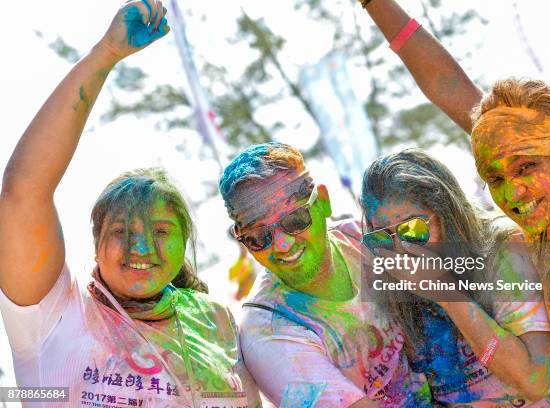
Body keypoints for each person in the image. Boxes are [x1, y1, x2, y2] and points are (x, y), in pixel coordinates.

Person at [0, 2, 259, 406]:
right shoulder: (56, 316)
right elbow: (23, 191)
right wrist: (105, 54)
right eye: (122, 232)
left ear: (185, 241)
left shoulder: (216, 321)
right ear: (97, 242)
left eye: (160, 231)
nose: (141, 249)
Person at [361, 0, 550, 404]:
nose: (512, 194)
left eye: (526, 167)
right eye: (494, 178)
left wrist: (446, 292)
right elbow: (449, 86)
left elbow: (534, 379)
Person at [219, 142, 432, 407]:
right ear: (243, 241)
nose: (282, 245)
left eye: (295, 220)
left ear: (323, 202)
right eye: (259, 237)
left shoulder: (359, 239)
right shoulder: (268, 332)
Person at [360, 148, 550, 406]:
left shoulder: (503, 251)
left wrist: (447, 296)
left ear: (447, 214)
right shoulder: (390, 286)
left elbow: (534, 381)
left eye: (413, 229)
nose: (402, 250)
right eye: (381, 237)